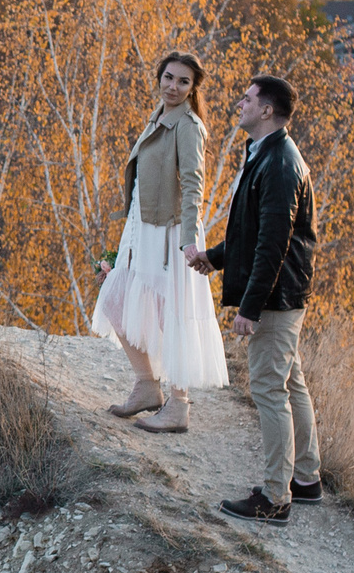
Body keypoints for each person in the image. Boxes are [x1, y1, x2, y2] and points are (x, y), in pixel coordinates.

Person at [183, 74, 319, 526]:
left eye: (248, 98)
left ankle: (276, 499)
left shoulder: (280, 163)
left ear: (266, 110)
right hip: (284, 294)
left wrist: (249, 309)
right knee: (290, 382)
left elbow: (273, 245)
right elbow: (250, 231)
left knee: (267, 389)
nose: (239, 103)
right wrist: (214, 258)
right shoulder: (265, 154)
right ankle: (305, 479)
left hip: (277, 299)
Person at [89, 52, 228, 431]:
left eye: (183, 82)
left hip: (170, 232)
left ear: (193, 88)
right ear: (159, 77)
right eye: (168, 77)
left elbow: (193, 186)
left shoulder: (188, 125)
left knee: (172, 312)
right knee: (117, 297)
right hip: (142, 226)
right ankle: (147, 386)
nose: (173, 86)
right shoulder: (159, 115)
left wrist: (187, 241)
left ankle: (179, 404)